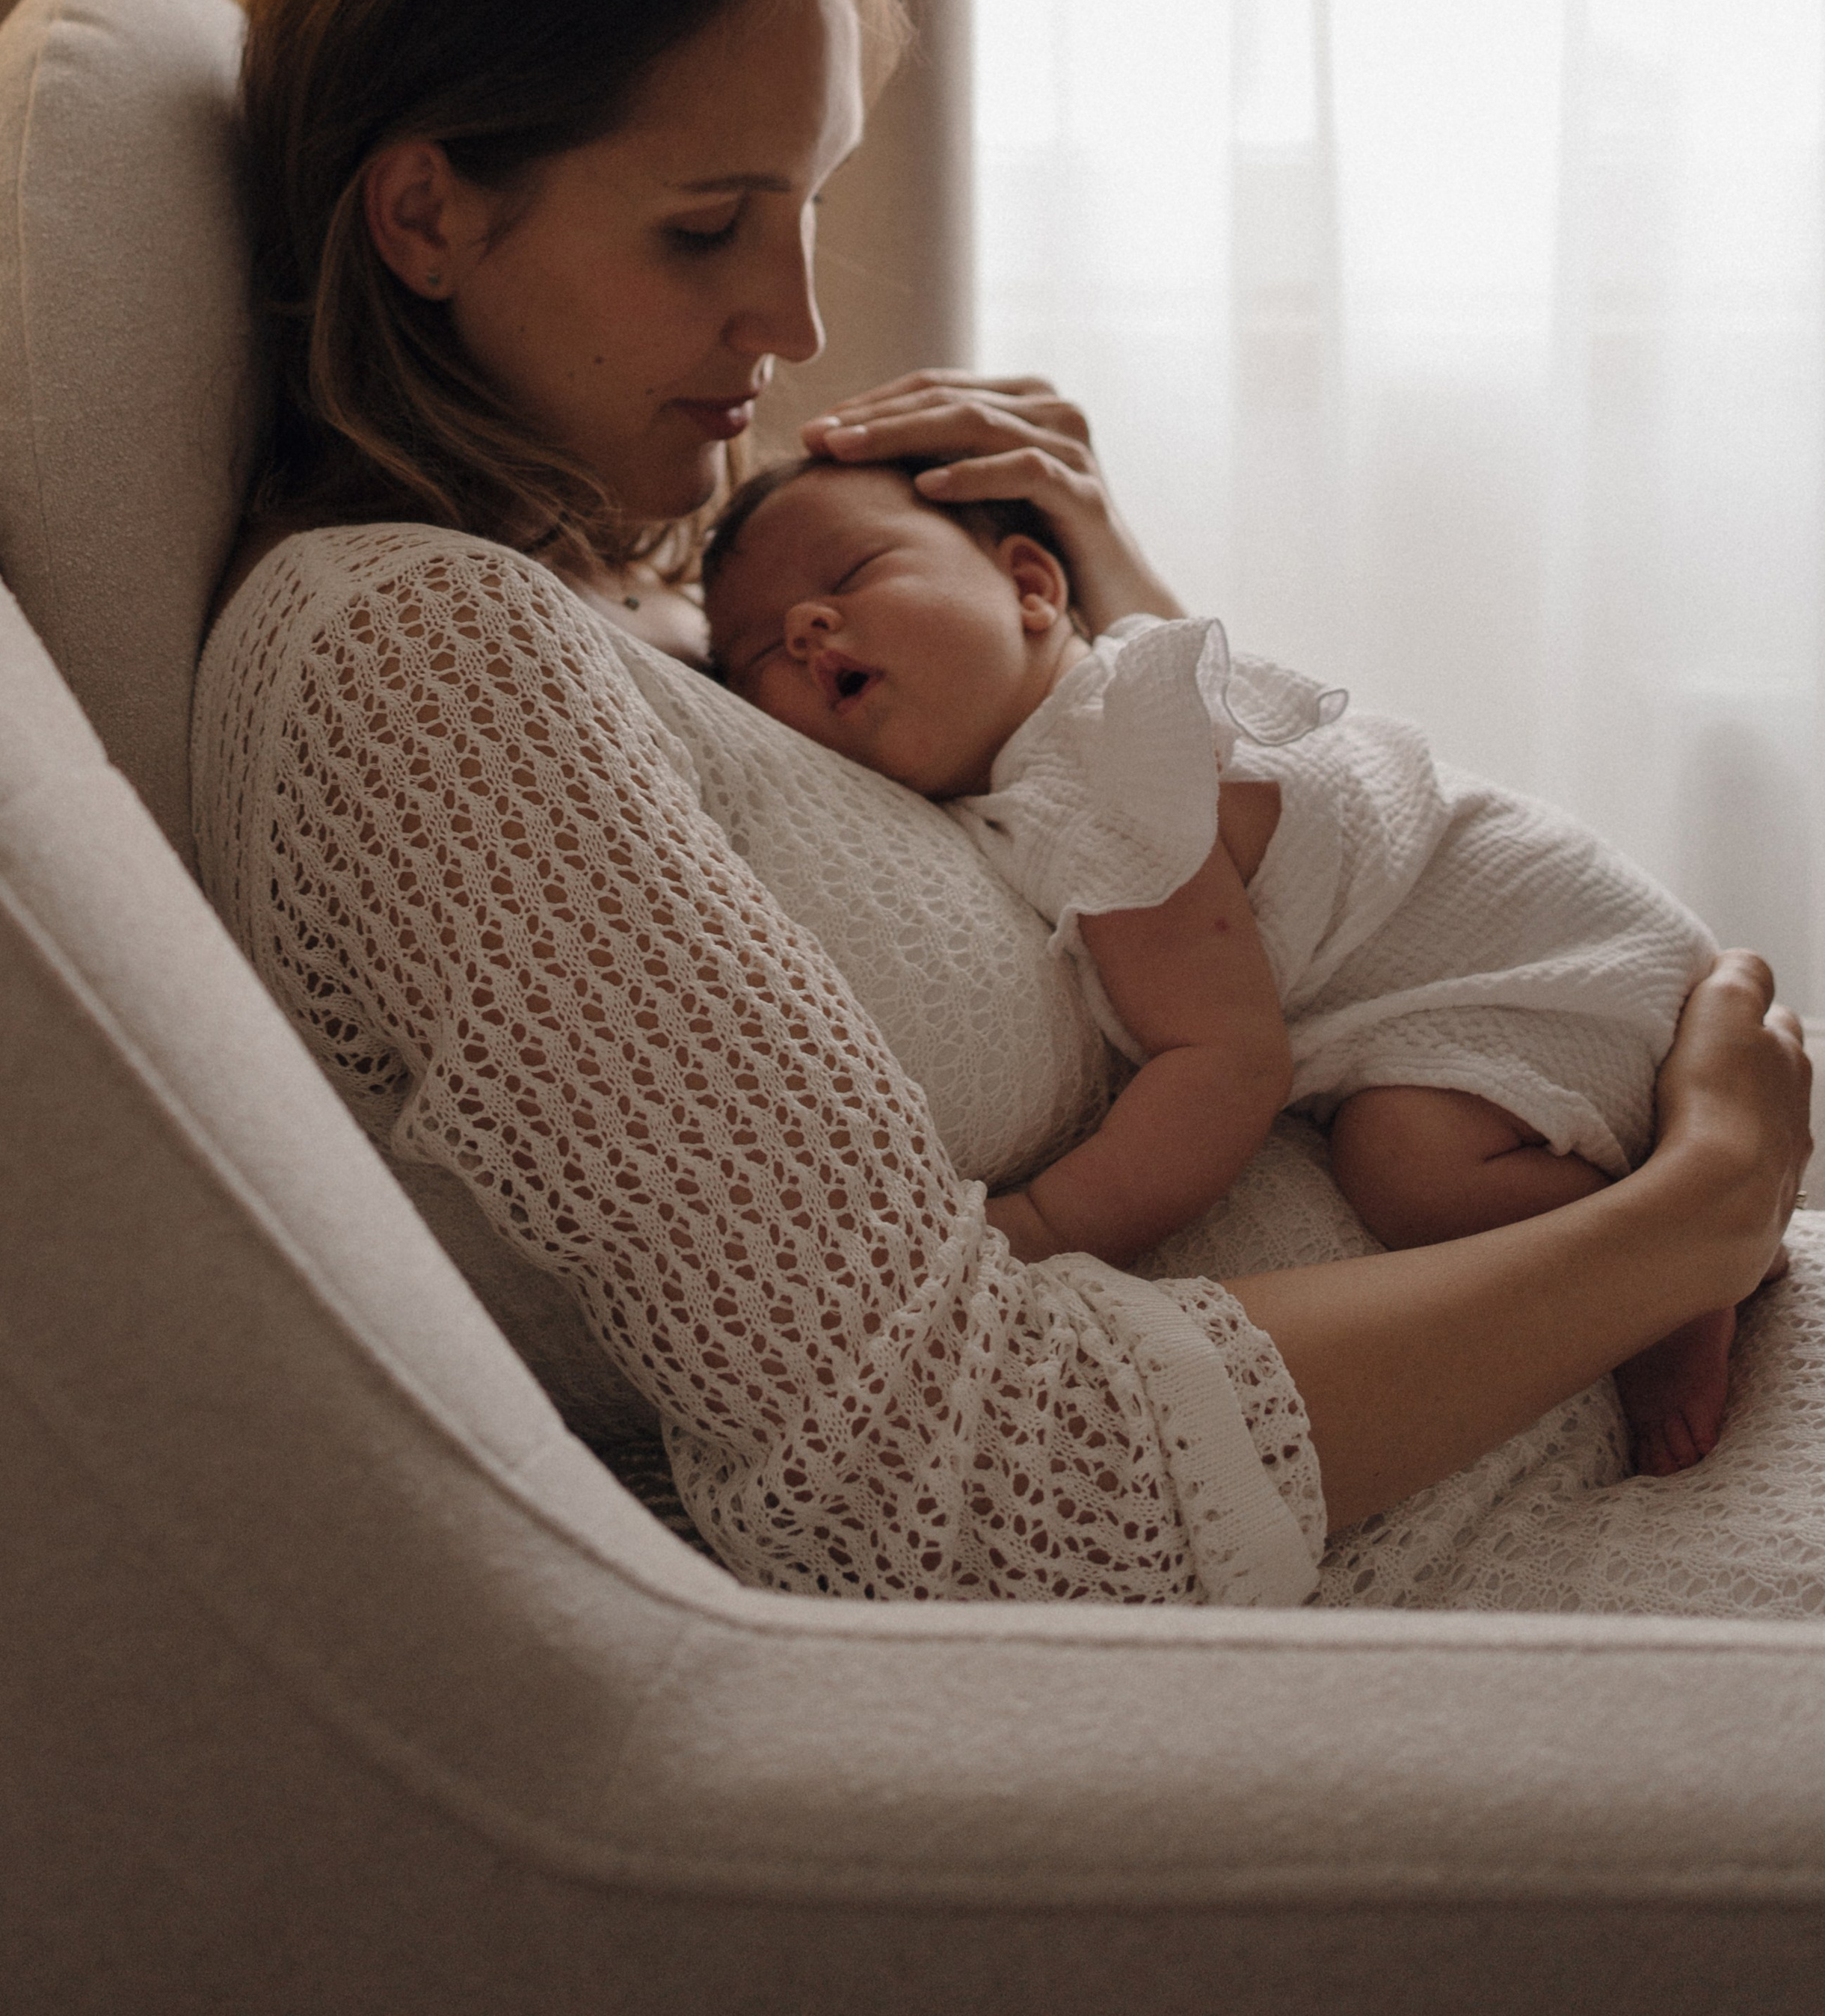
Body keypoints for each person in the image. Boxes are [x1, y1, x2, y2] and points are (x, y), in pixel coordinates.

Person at [195, 0, 1811, 1612]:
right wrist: (1684, 1226)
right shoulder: (418, 674)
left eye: (808, 205)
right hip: (1488, 1556)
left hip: (1606, 1392)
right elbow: (953, 1490)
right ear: (424, 218)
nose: (794, 323)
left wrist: (1102, 593)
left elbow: (1248, 931)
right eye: (704, 225)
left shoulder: (672, 608)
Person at [699, 455, 1732, 1477]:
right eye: (753, 656)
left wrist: (1049, 1222)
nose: (804, 629)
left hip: (1549, 964)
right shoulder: (1045, 763)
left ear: (1030, 585)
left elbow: (1225, 1065)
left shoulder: (1107, 773)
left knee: (1406, 1166)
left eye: (851, 574)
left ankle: (1676, 1270)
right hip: (1542, 940)